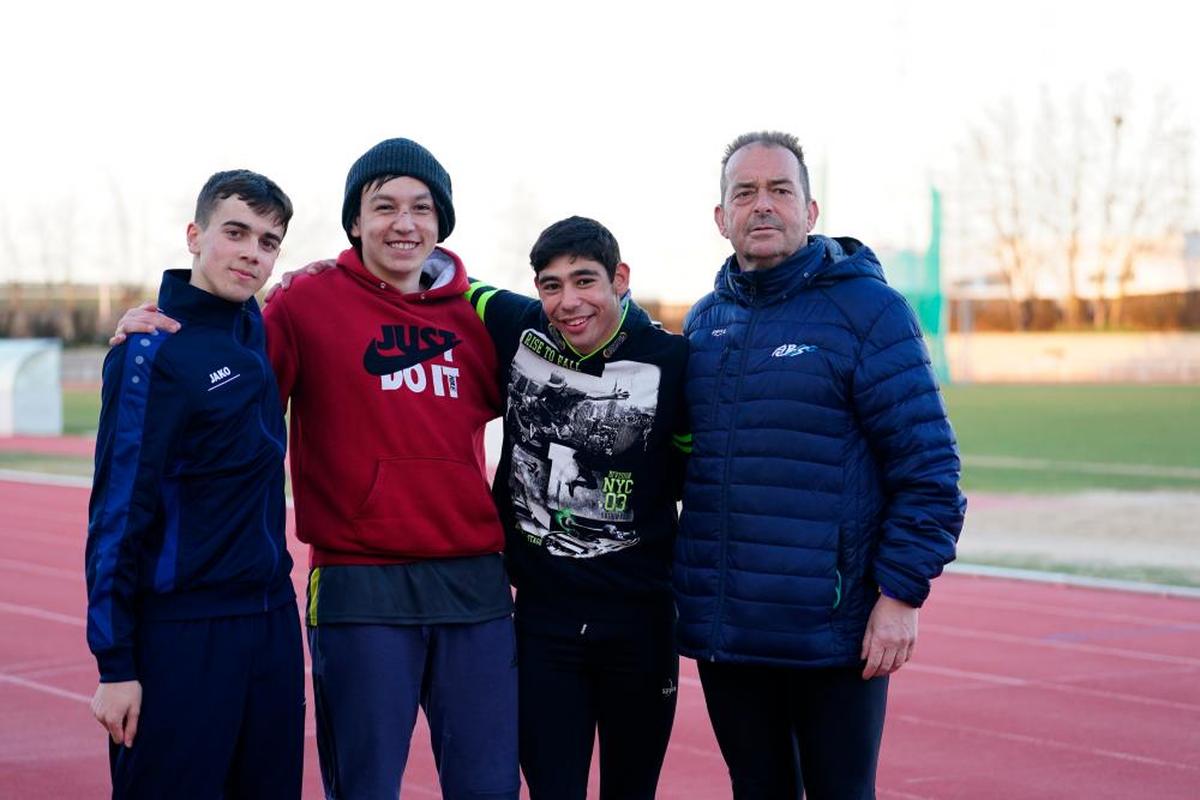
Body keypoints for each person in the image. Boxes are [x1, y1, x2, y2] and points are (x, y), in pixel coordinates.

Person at [112, 139, 519, 800]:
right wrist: (160, 324)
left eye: (421, 208)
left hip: (473, 583)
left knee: (489, 786)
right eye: (383, 206)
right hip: (360, 581)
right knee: (363, 787)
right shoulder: (304, 302)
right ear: (354, 222)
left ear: (441, 224)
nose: (404, 223)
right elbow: (229, 366)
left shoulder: (477, 315)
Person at [674, 131, 966, 799]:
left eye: (781, 189)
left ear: (811, 211)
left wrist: (900, 595)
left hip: (833, 632)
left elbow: (930, 471)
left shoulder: (868, 312)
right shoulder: (704, 322)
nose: (763, 205)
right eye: (744, 192)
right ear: (722, 218)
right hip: (732, 632)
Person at [86, 170, 304, 799]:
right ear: (194, 235)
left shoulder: (253, 325)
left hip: (269, 623)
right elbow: (117, 512)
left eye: (268, 242)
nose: (251, 253)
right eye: (236, 232)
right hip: (185, 632)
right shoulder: (150, 350)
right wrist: (116, 664)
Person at [466, 217, 689, 799]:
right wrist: (324, 272)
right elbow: (441, 274)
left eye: (585, 281)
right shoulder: (517, 325)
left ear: (620, 279)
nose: (568, 302)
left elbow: (705, 481)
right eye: (551, 285)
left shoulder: (674, 362)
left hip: (640, 621)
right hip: (543, 619)